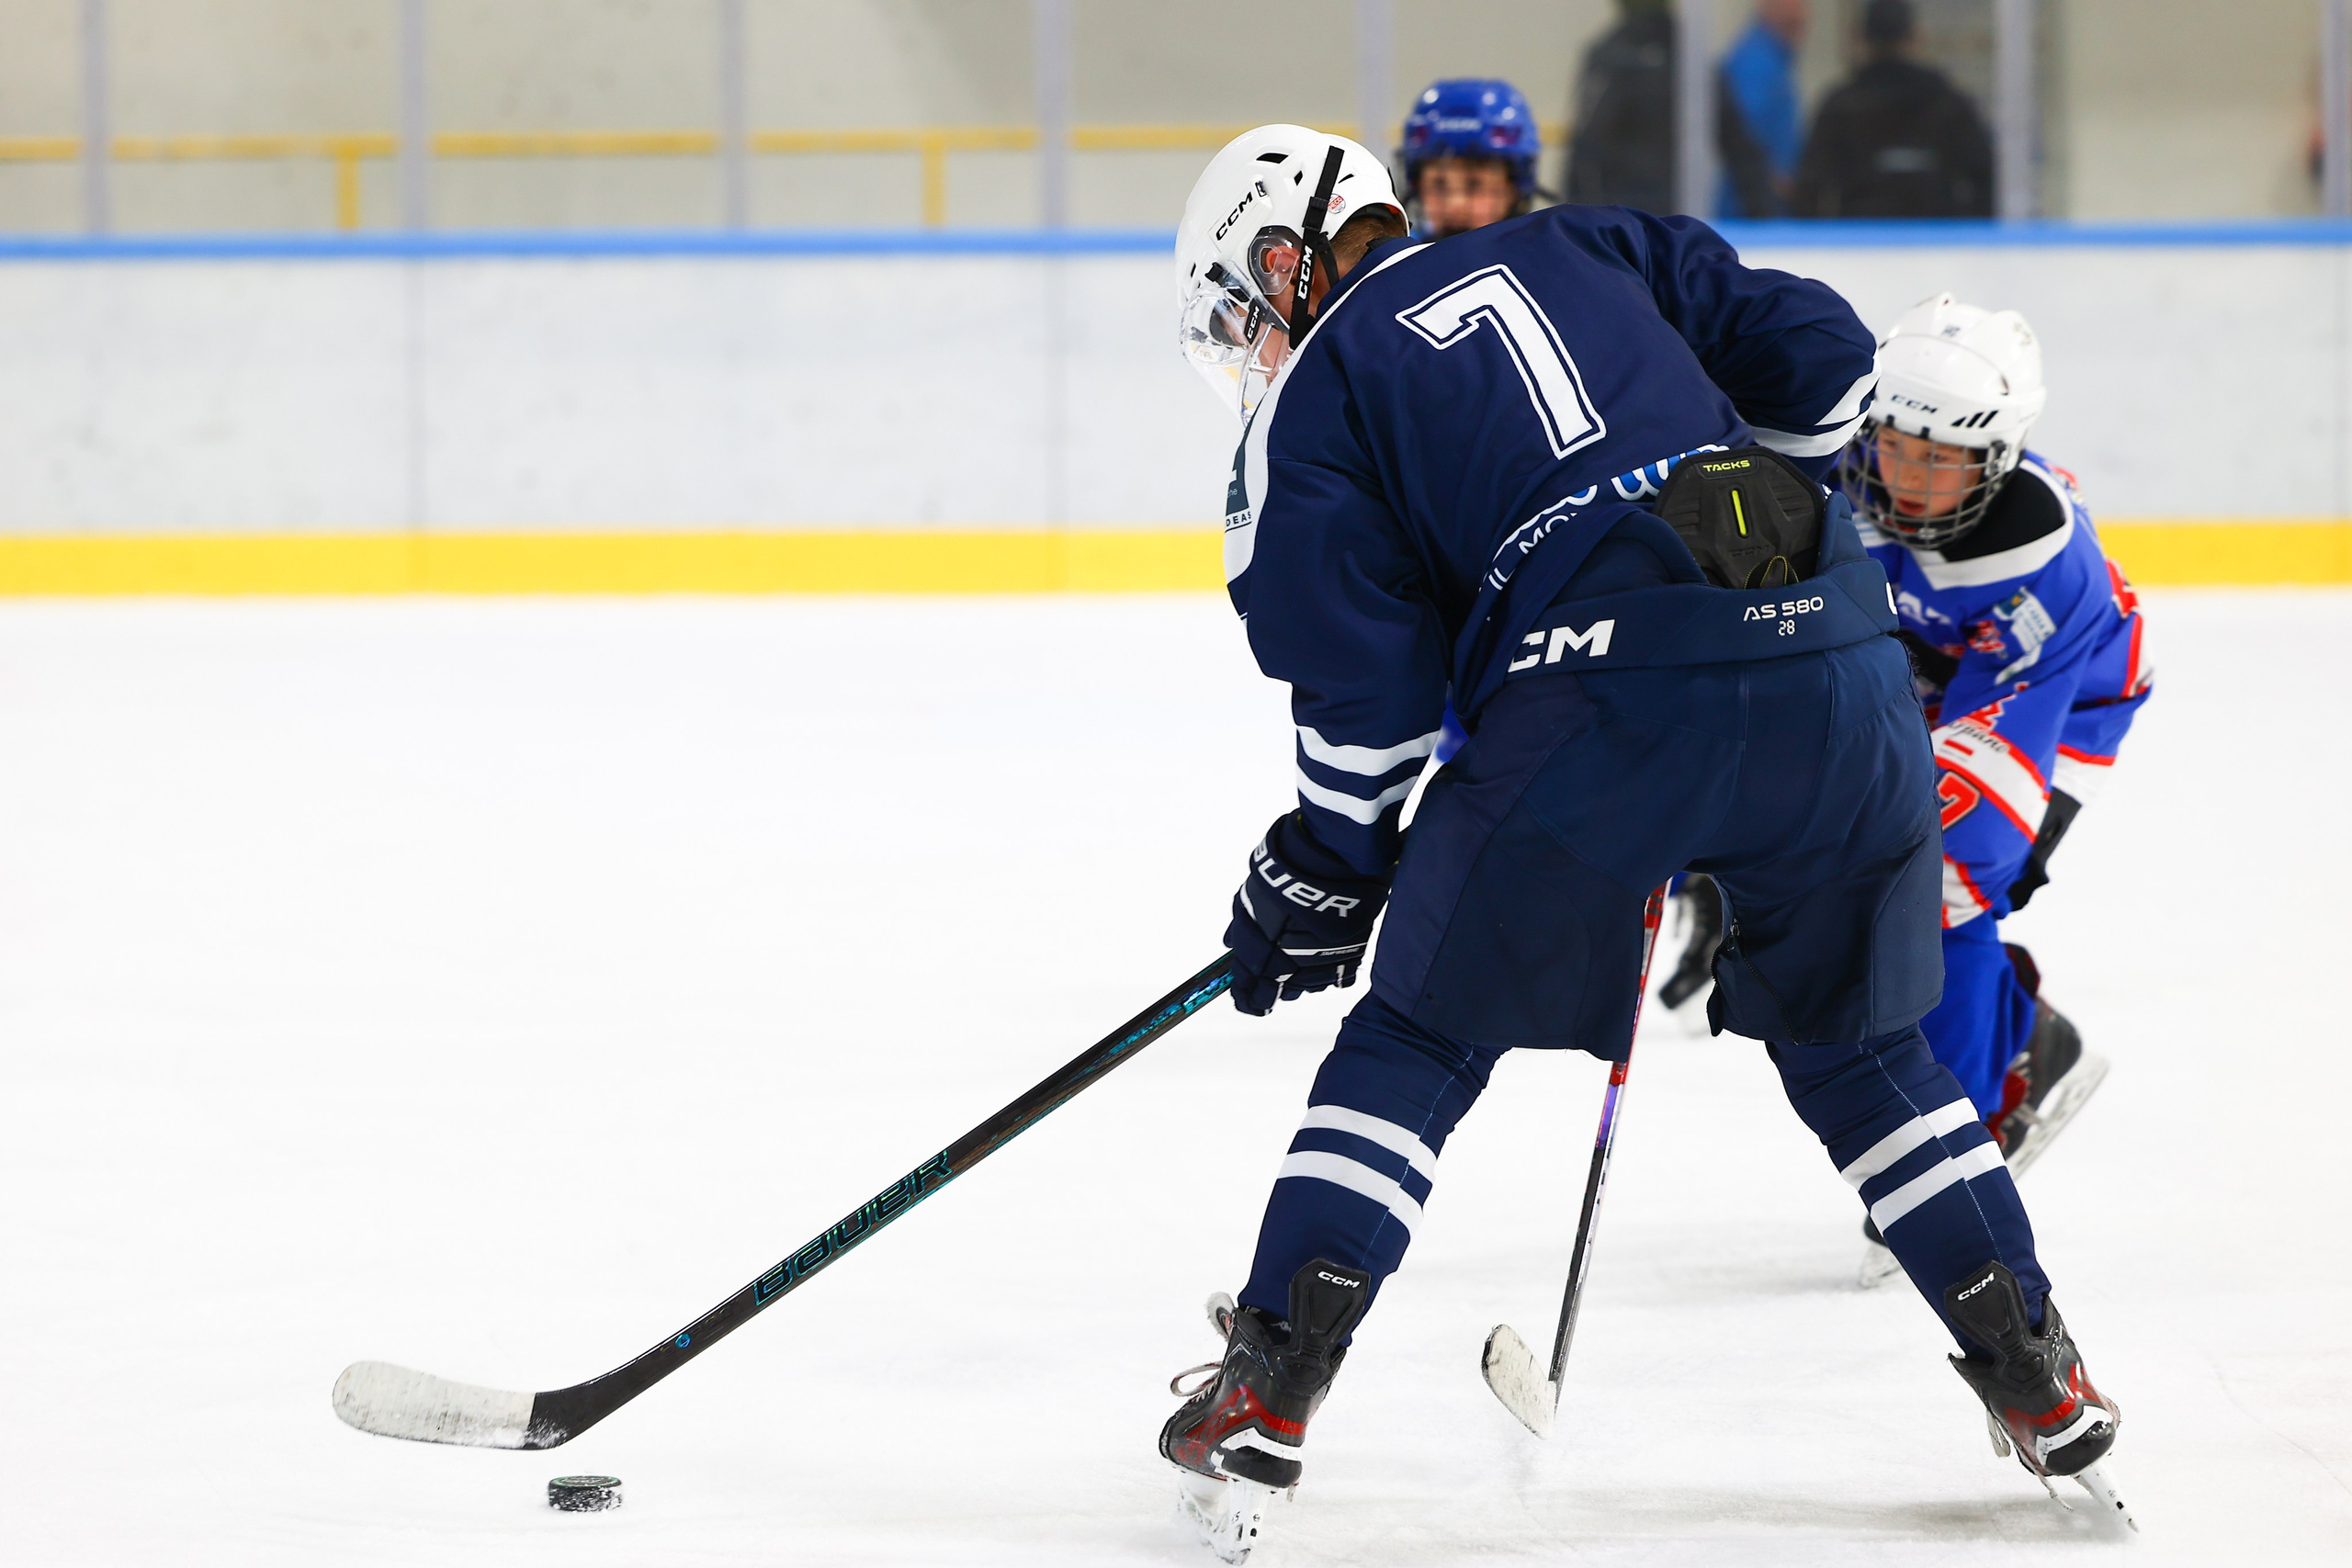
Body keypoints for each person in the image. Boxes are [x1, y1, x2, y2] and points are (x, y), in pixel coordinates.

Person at [1162, 124, 2126, 1562]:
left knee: (1418, 1033)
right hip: (1836, 645)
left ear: (1290, 257)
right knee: (1868, 1054)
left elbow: (1369, 702)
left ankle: (1268, 1386)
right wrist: (1733, 540)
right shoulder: (1587, 237)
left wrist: (1329, 863)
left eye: (1248, 309)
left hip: (1594, 690)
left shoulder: (1307, 408)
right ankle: (2040, 1373)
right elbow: (1826, 364)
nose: (1253, 346)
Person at [1838, 294, 2153, 1283]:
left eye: (1940, 460)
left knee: (1946, 888)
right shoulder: (1837, 473)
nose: (1907, 478)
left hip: (2062, 698)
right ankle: (2031, 1038)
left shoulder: (2040, 560)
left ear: (1997, 455)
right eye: (1894, 447)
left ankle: (1961, 1141)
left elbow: (1983, 781)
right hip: (1924, 680)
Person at [1568, 0, 1778, 217]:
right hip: (1653, 216)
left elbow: (1585, 151)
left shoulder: (1680, 55)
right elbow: (1586, 151)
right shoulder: (1678, 54)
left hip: (1646, 215)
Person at [1790, 0, 1994, 218]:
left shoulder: (1840, 106)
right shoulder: (1948, 102)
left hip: (1862, 232)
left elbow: (1808, 192)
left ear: (1860, 37)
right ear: (1914, 35)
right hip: (1936, 232)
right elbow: (1987, 181)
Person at [1395, 78, 1543, 242]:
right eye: (1438, 185)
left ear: (1514, 190)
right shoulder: (1402, 255)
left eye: (1475, 185)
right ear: (1417, 186)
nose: (1455, 205)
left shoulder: (1546, 256)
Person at [1717, 0, 1809, 217]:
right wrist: (1777, 179)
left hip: (1762, 202)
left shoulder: (1777, 58)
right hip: (1753, 209)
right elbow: (1745, 139)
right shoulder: (1756, 63)